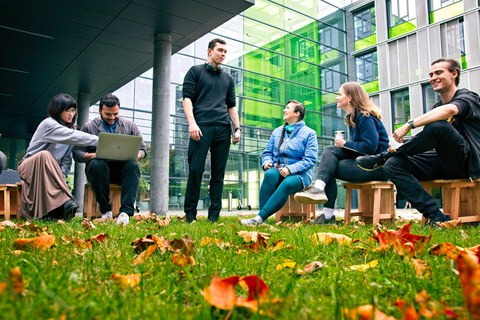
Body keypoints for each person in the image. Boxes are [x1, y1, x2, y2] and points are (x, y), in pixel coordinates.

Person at [356, 58, 480, 226]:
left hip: (467, 163)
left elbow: (450, 110)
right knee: (393, 164)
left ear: (454, 74)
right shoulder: (437, 106)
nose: (433, 77)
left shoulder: (467, 97)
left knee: (438, 126)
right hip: (442, 162)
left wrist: (409, 125)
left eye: (438, 72)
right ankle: (436, 216)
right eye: (430, 74)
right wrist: (400, 147)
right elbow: (426, 139)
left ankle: (382, 157)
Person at [293, 82, 389, 224]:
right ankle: (325, 211)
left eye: (339, 94)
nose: (337, 98)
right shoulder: (353, 117)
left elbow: (369, 147)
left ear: (349, 97)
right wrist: (344, 147)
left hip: (377, 167)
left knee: (329, 165)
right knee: (329, 160)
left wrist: (345, 144)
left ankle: (326, 211)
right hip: (366, 163)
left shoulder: (365, 116)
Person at [182, 38, 241, 223]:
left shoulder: (228, 78)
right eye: (220, 50)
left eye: (225, 51)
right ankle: (190, 215)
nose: (223, 54)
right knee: (195, 171)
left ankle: (214, 216)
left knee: (218, 174)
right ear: (209, 52)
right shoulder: (195, 72)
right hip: (201, 128)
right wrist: (192, 123)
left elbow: (231, 106)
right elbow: (187, 99)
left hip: (223, 129)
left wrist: (237, 128)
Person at [18, 93, 98, 220]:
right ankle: (66, 201)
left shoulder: (70, 130)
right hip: (28, 166)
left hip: (51, 172)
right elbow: (74, 136)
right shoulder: (49, 124)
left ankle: (55, 211)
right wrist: (101, 141)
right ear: (57, 110)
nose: (71, 114)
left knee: (53, 163)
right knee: (45, 155)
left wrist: (61, 177)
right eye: (67, 110)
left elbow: (66, 161)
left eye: (73, 110)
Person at [73, 93, 147, 225]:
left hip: (121, 172)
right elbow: (77, 152)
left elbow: (143, 149)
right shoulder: (88, 127)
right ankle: (106, 211)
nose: (112, 118)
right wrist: (93, 155)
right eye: (108, 114)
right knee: (97, 164)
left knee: (132, 165)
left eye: (115, 114)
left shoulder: (130, 126)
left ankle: (125, 214)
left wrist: (137, 155)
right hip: (99, 172)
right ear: (100, 111)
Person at [241, 100, 318, 226]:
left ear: (296, 113)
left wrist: (290, 169)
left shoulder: (309, 133)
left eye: (287, 108)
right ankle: (263, 220)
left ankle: (259, 219)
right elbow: (267, 153)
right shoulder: (277, 131)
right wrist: (267, 162)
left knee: (287, 183)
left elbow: (310, 160)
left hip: (300, 174)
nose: (284, 110)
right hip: (278, 169)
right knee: (270, 174)